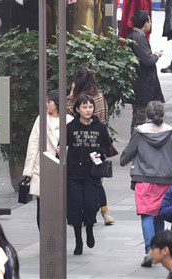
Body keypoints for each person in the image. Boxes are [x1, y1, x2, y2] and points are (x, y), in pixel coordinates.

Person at [120, 101, 172, 267]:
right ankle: (159, 251)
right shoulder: (171, 132)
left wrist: (124, 160)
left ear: (147, 115)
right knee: (160, 215)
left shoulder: (139, 132)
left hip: (143, 179)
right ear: (162, 115)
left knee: (147, 215)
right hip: (165, 180)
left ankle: (149, 251)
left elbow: (127, 154)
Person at [66, 93, 112, 255]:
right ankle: (78, 239)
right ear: (77, 109)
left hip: (92, 174)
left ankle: (90, 227)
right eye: (84, 107)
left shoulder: (100, 127)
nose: (88, 110)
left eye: (90, 107)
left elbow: (107, 146)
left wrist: (100, 153)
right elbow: (61, 145)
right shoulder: (70, 127)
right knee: (76, 205)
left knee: (91, 205)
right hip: (73, 173)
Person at [24, 90, 73, 227]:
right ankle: (44, 236)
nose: (46, 104)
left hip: (61, 166)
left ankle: (56, 234)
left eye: (49, 101)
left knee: (58, 204)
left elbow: (73, 143)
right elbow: (33, 144)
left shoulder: (68, 120)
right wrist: (28, 171)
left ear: (56, 103)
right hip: (43, 166)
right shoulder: (41, 119)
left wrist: (64, 150)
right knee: (42, 205)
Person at [127, 11, 166, 131]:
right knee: (140, 119)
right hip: (142, 85)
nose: (150, 24)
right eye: (150, 22)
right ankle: (136, 145)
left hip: (140, 83)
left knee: (137, 118)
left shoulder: (136, 36)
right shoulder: (138, 37)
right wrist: (156, 55)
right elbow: (148, 60)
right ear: (145, 23)